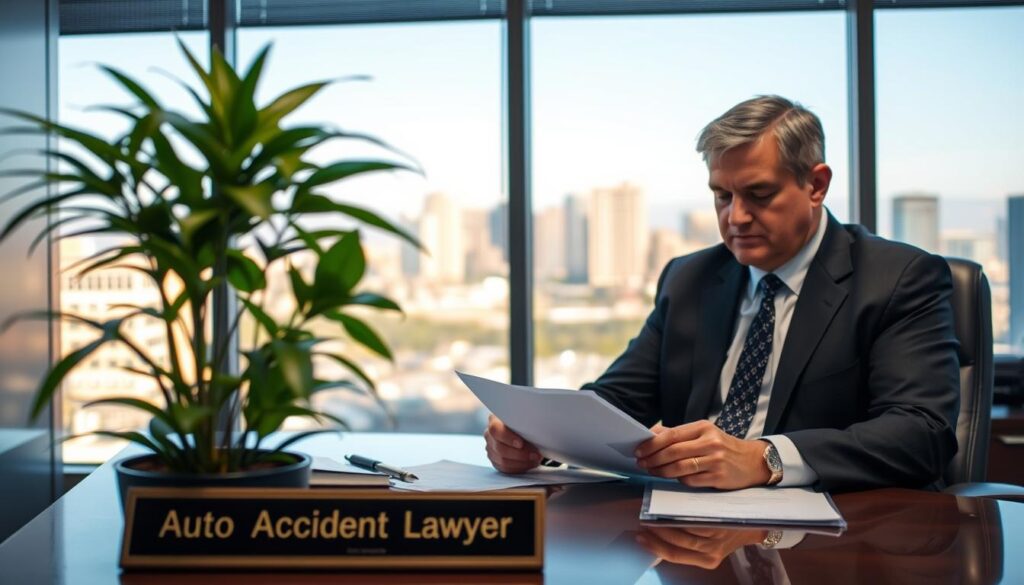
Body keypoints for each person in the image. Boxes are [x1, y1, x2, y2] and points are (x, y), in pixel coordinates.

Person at [485, 95, 960, 493]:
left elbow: (921, 432)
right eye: (721, 196)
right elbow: (617, 402)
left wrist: (764, 459)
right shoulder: (689, 278)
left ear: (816, 185)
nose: (735, 217)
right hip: (690, 527)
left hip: (837, 534)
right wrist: (537, 440)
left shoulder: (898, 278)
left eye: (759, 194)